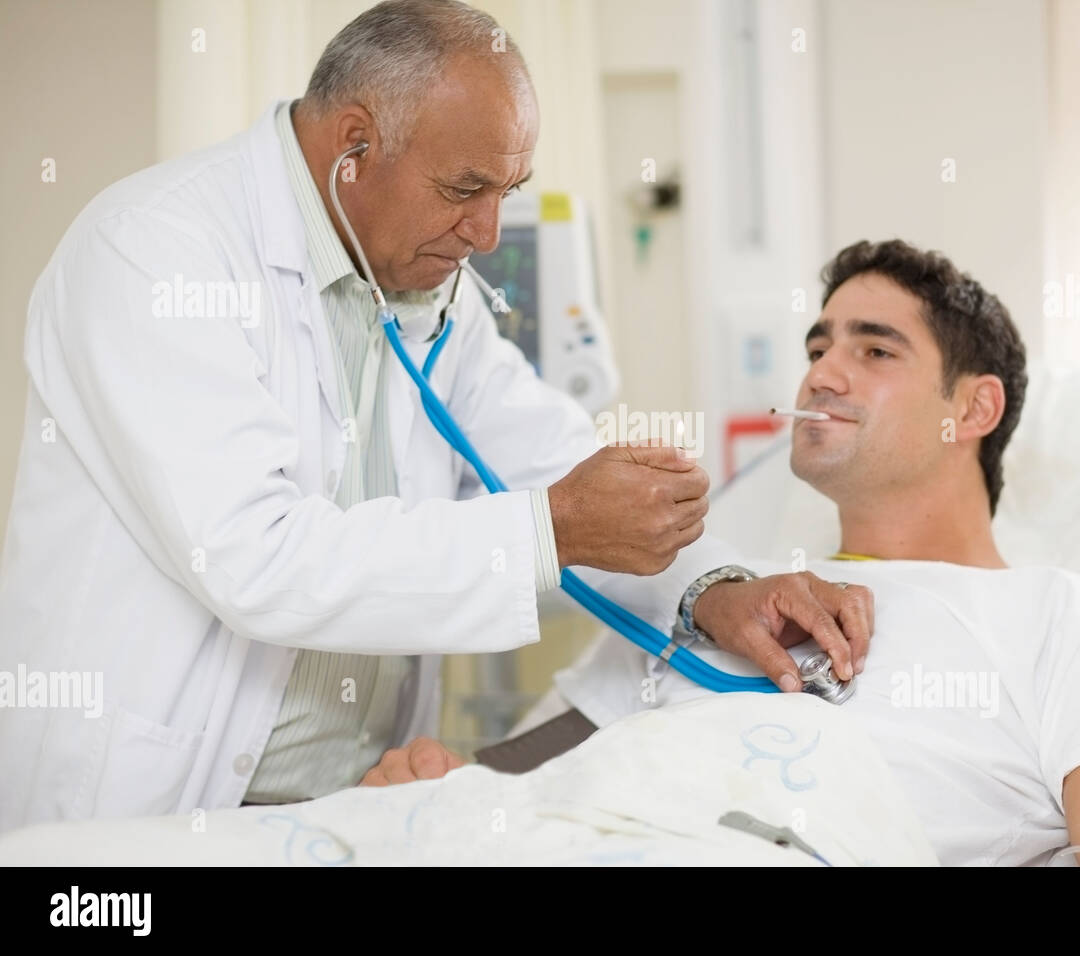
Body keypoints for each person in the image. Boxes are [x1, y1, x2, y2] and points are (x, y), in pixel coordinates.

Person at [0, 0, 872, 831]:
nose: (488, 232)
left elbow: (549, 461)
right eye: (465, 188)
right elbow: (252, 557)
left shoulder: (418, 281)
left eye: (508, 189)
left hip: (348, 801)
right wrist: (553, 528)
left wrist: (712, 588)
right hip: (149, 801)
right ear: (354, 147)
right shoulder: (156, 251)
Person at [544, 238, 1080, 866]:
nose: (821, 375)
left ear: (973, 410)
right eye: (817, 350)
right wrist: (439, 772)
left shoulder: (1077, 622)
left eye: (874, 351)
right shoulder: (717, 597)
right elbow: (516, 784)